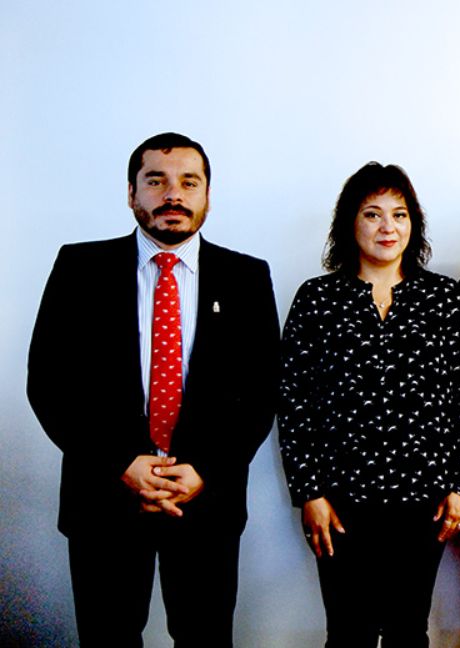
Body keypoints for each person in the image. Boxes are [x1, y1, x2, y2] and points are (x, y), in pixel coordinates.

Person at [26, 132, 280, 646]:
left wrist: (205, 468)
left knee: (204, 637)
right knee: (109, 637)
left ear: (208, 194)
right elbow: (50, 382)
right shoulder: (79, 268)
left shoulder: (247, 277)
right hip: (105, 497)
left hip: (204, 498)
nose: (173, 195)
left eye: (189, 182)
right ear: (131, 193)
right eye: (156, 181)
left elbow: (261, 390)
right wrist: (123, 462)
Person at [278, 162, 460, 648]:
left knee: (408, 628)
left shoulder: (444, 298)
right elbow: (294, 400)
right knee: (349, 630)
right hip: (340, 497)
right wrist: (310, 492)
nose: (387, 227)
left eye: (400, 214)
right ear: (350, 224)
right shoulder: (318, 298)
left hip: (425, 499)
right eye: (372, 214)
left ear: (414, 224)